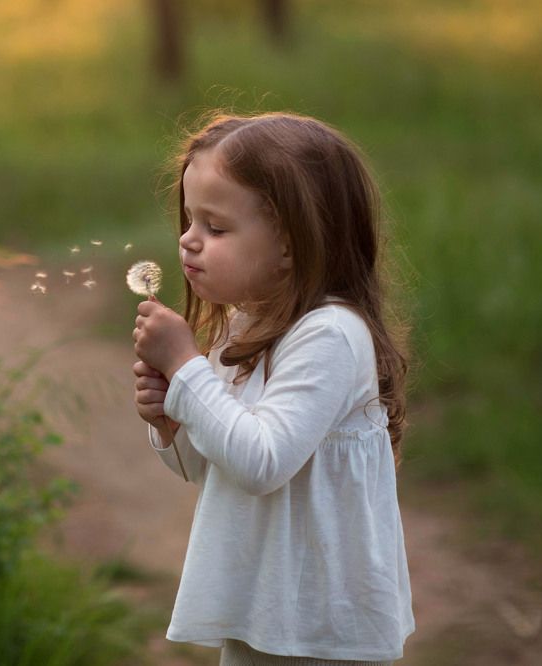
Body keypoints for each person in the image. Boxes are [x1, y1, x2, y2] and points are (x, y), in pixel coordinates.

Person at [131, 111, 415, 665]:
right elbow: (219, 465)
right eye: (189, 221)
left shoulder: (331, 335)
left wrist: (188, 370)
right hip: (263, 606)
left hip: (322, 627)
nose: (189, 242)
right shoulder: (245, 326)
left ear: (292, 243)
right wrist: (171, 424)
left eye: (215, 228)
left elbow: (262, 461)